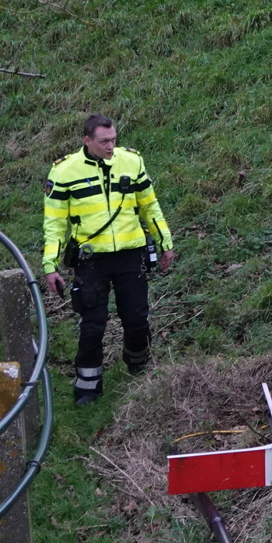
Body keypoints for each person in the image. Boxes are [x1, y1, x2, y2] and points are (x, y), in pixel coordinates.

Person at [41, 114, 175, 406]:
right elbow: (54, 223)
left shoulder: (132, 162)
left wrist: (166, 243)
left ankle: (138, 367)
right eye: (104, 142)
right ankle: (87, 389)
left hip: (130, 256)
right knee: (92, 325)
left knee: (137, 319)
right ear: (87, 140)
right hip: (91, 262)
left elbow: (149, 205)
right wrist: (50, 266)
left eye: (114, 140)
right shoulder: (64, 172)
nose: (111, 146)